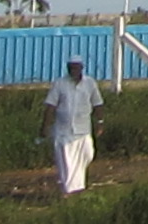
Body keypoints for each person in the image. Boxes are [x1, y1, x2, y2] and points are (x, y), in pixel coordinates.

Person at [40, 55, 105, 195]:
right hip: (64, 132)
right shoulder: (60, 84)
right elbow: (50, 106)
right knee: (67, 163)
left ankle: (77, 187)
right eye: (71, 67)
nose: (73, 70)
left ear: (81, 68)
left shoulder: (90, 83)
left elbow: (98, 103)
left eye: (76, 67)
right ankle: (68, 192)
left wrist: (100, 122)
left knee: (87, 155)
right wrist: (45, 126)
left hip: (83, 130)